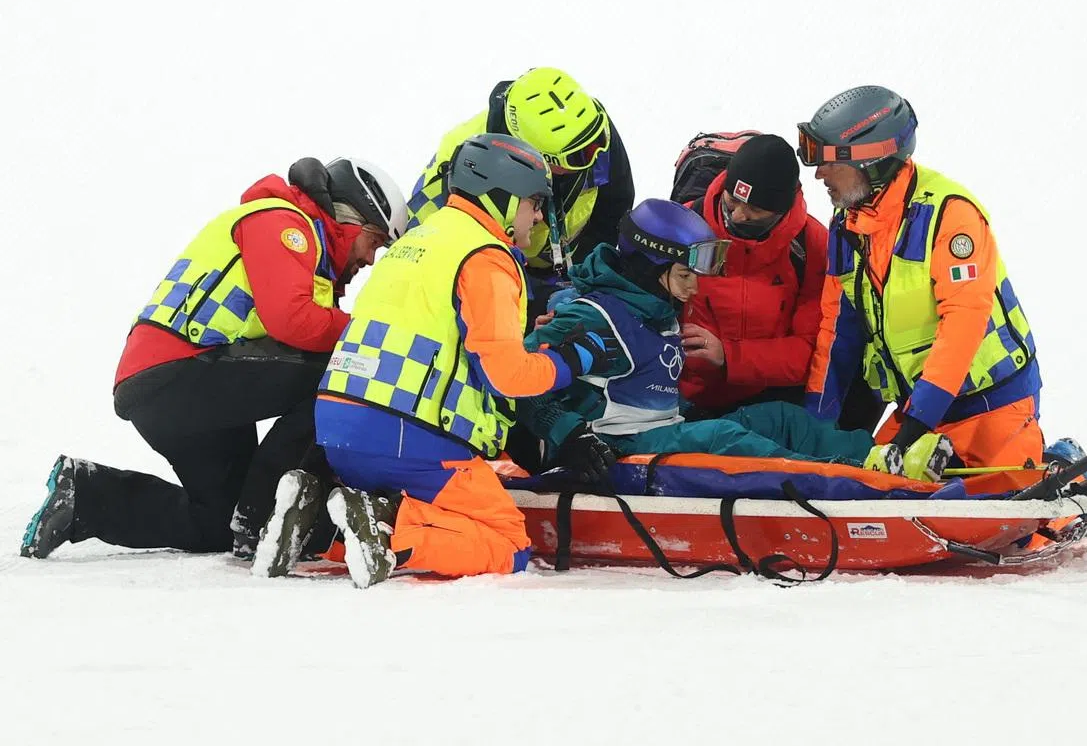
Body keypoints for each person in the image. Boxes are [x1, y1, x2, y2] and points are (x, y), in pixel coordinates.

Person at [252, 133, 622, 587]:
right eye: (534, 202)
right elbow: (507, 377)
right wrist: (571, 359)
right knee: (507, 543)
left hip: (338, 434)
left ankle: (319, 521)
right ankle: (388, 532)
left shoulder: (415, 242)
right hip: (412, 441)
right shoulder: (486, 256)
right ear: (504, 198)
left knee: (439, 508)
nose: (540, 216)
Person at [19, 157, 408, 560]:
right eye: (374, 241)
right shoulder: (283, 221)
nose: (371, 259)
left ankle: (84, 497)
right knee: (342, 371)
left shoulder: (308, 255)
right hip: (180, 372)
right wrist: (368, 334)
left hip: (173, 385)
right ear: (349, 217)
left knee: (218, 521)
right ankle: (263, 516)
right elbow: (292, 320)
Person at [516, 198, 886, 483]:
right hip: (613, 450)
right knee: (724, 437)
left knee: (781, 418)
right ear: (649, 268)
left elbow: (646, 385)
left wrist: (692, 414)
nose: (695, 288)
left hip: (658, 433)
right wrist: (569, 435)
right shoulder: (594, 317)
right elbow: (516, 378)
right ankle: (849, 480)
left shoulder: (657, 310)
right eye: (684, 275)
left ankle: (880, 457)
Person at [797, 85, 1043, 470]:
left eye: (828, 161)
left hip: (992, 406)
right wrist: (814, 426)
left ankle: (1066, 469)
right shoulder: (847, 226)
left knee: (1001, 503)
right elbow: (837, 331)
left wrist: (912, 431)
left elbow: (963, 324)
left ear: (870, 159)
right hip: (920, 410)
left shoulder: (950, 216)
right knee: (864, 487)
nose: (819, 174)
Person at [677, 133, 880, 430]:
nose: (738, 217)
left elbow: (812, 348)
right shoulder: (681, 227)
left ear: (780, 210)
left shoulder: (813, 248)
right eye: (732, 202)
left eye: (755, 211)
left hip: (769, 398)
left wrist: (729, 356)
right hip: (681, 395)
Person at [405, 66, 635, 322]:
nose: (595, 155)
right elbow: (443, 265)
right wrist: (532, 298)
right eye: (577, 157)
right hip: (499, 274)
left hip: (569, 263)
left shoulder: (587, 127)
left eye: (599, 140)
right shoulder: (464, 169)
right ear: (534, 155)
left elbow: (615, 206)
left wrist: (583, 277)